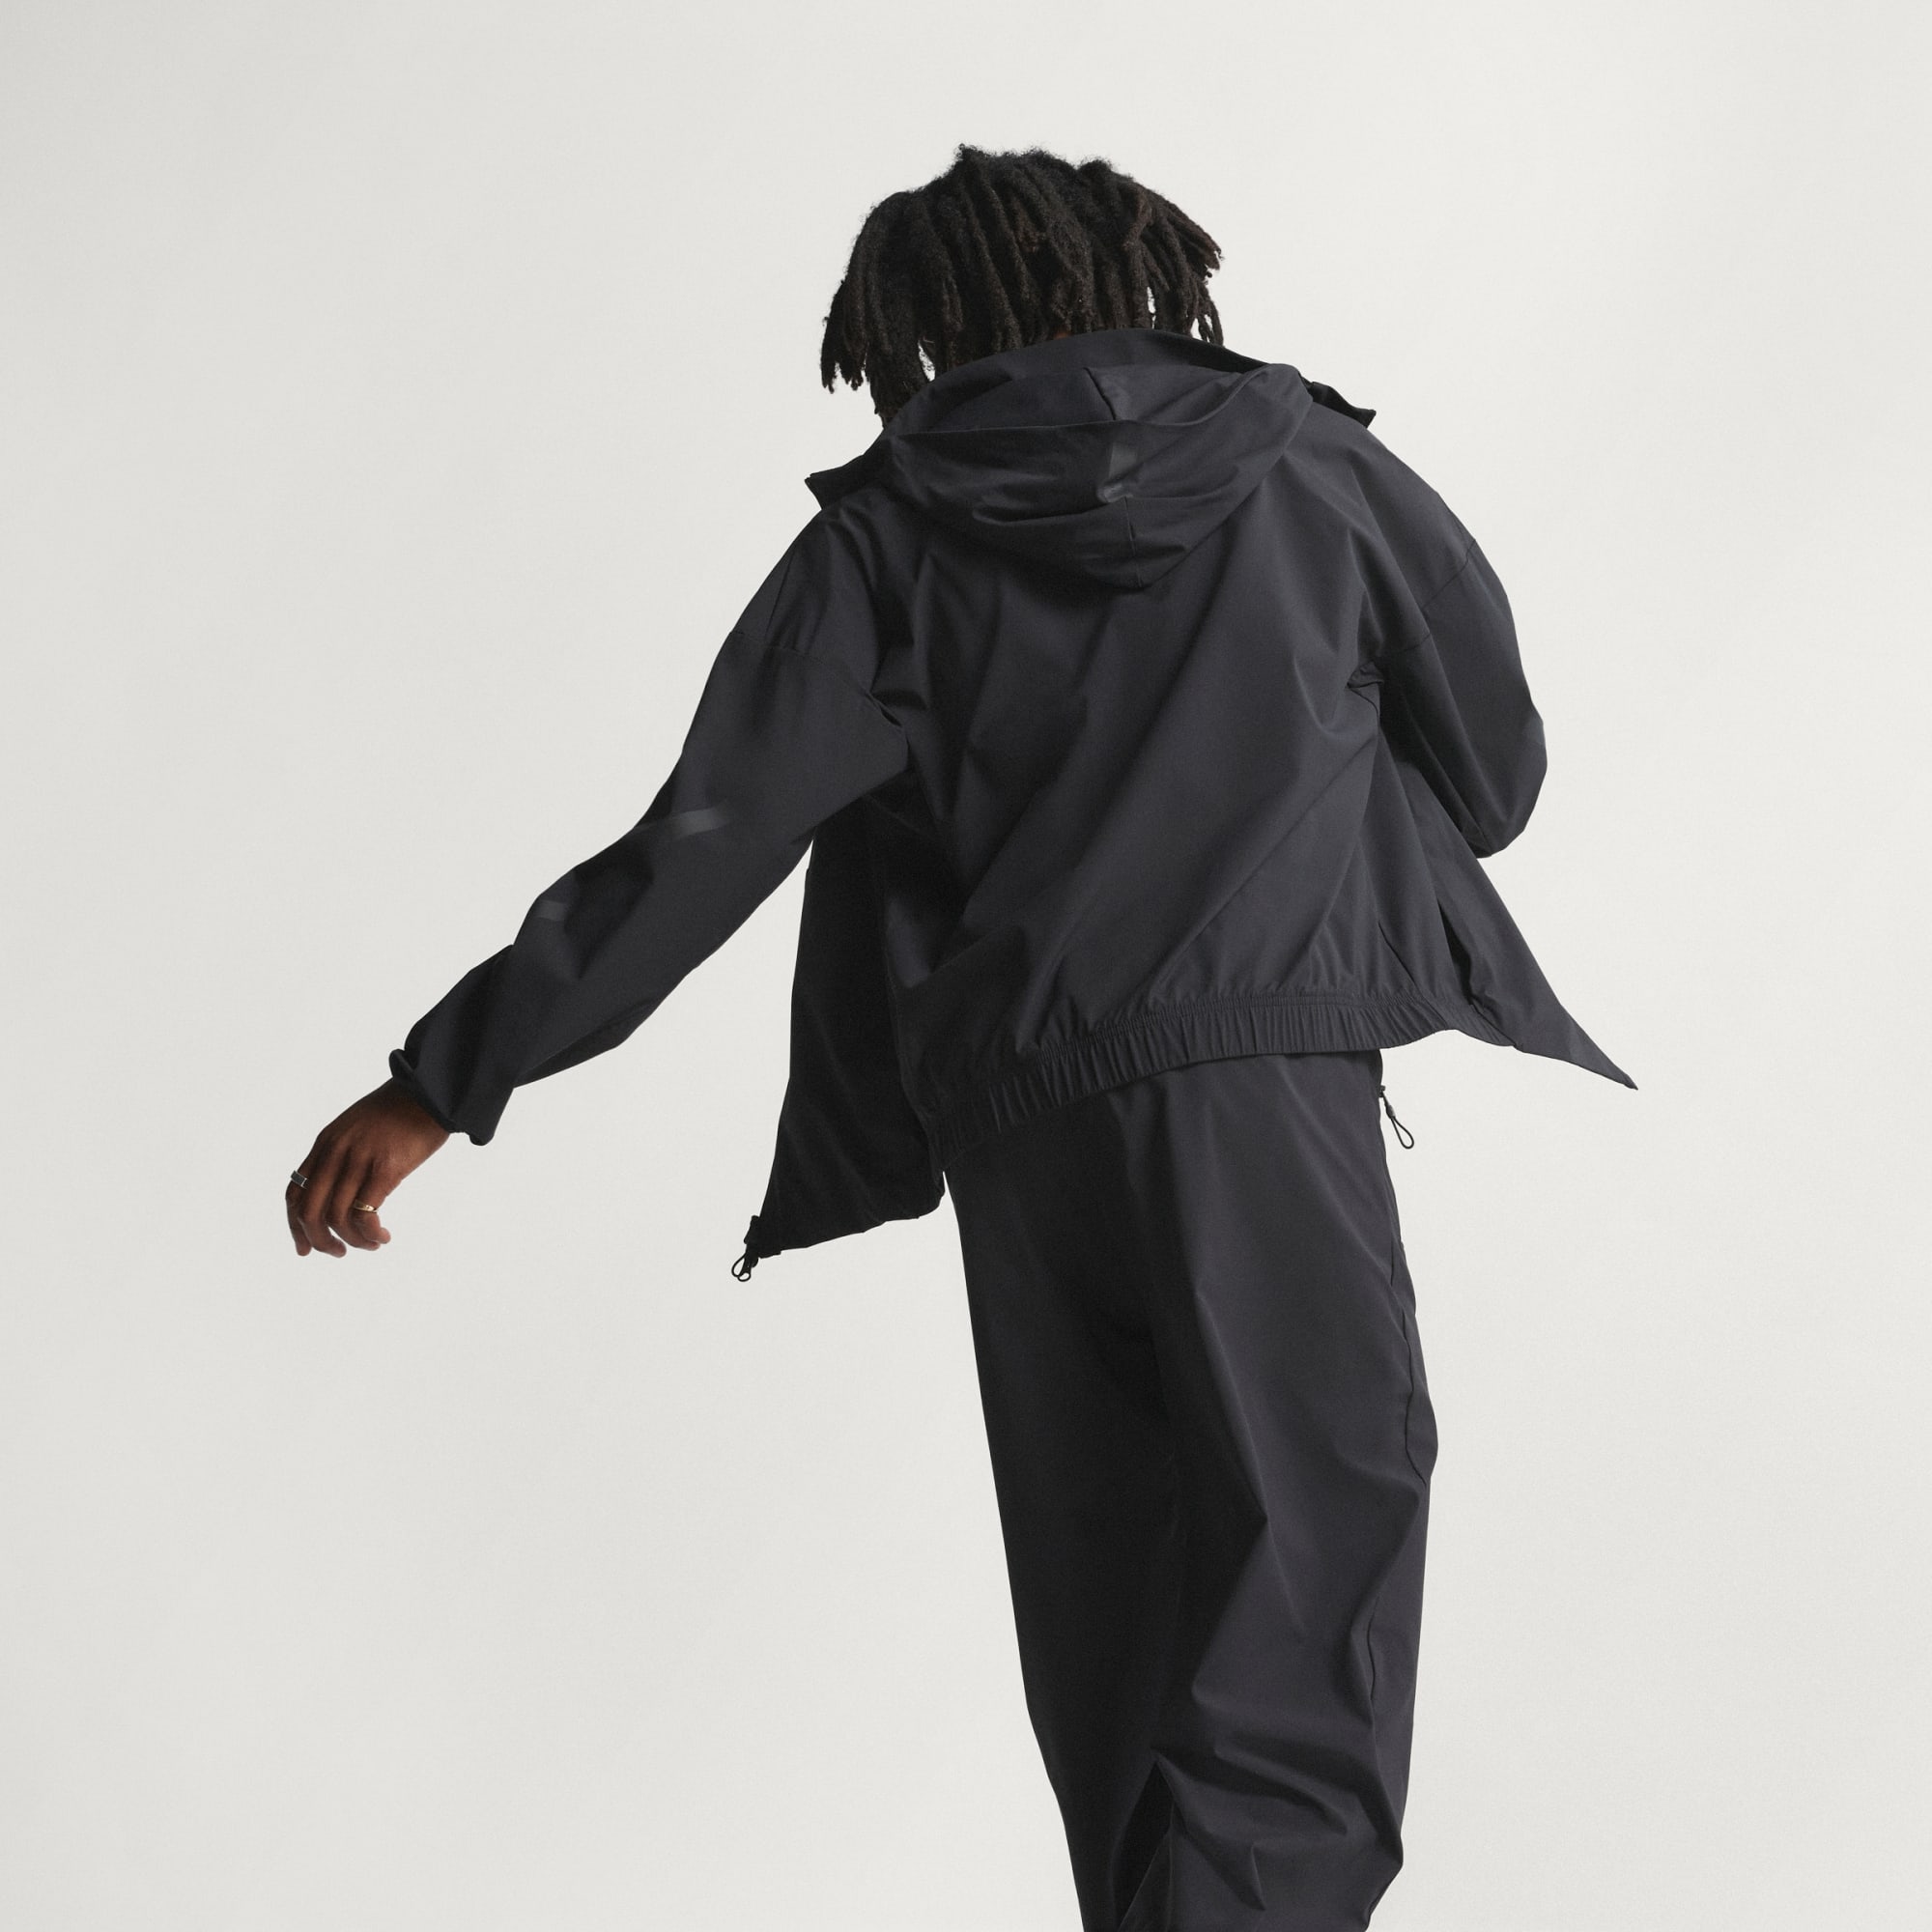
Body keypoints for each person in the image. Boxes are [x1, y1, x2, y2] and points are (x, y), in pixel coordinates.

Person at [285, 143, 1633, 1930]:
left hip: (1029, 1138)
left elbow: (702, 845)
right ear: (1136, 274)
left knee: (1119, 1637)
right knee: (1304, 1581)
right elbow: (1500, 774)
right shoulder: (1311, 466)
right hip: (1261, 1094)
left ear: (918, 327)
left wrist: (441, 1081)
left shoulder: (884, 538)